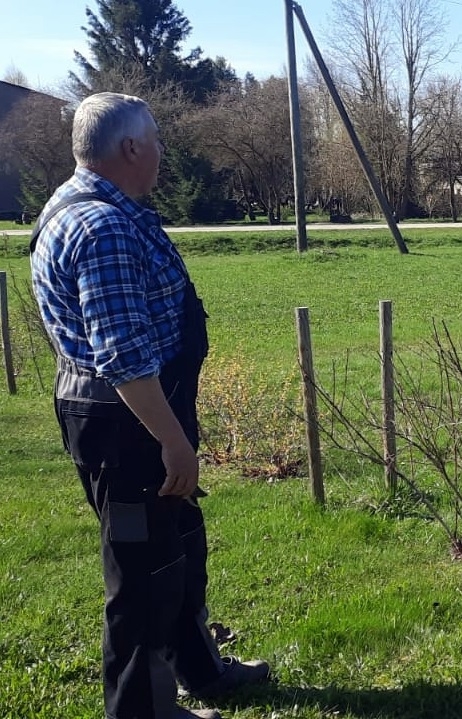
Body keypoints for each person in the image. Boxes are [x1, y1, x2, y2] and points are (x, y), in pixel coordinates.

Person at [29, 92, 269, 719]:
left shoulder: (106, 208)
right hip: (127, 424)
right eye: (157, 139)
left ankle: (199, 669)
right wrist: (171, 438)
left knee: (179, 544)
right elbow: (124, 356)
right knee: (143, 571)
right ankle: (145, 710)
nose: (163, 150)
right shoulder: (101, 226)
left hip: (140, 414)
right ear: (130, 147)